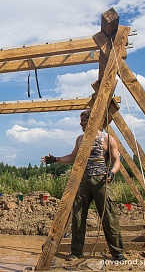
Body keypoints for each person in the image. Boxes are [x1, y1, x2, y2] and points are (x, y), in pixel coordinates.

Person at [41, 109, 125, 262]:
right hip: (83, 180)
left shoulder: (107, 138)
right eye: (80, 122)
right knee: (78, 217)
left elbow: (116, 160)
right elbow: (73, 157)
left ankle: (117, 253)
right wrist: (55, 159)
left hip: (101, 181)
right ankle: (77, 251)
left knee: (109, 217)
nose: (81, 124)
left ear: (93, 120)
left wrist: (112, 172)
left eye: (83, 121)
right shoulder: (80, 139)